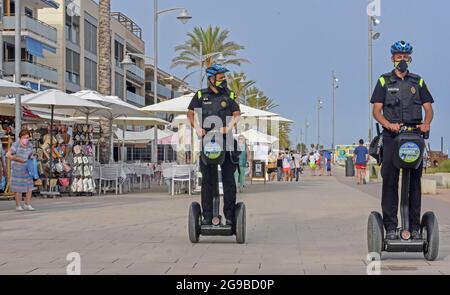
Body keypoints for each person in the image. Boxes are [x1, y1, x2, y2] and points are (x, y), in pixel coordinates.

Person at [371, 41, 434, 240]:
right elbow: (376, 111)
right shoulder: (384, 81)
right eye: (399, 56)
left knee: (415, 183)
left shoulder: (418, 82)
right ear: (392, 58)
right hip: (392, 137)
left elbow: (429, 108)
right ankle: (390, 227)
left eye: (405, 57)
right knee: (390, 180)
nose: (402, 60)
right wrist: (388, 124)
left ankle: (415, 228)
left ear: (410, 59)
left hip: (414, 137)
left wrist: (426, 123)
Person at [187, 64, 241, 226]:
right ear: (211, 78)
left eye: (223, 77)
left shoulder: (229, 95)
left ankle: (230, 216)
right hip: (207, 143)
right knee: (207, 182)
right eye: (220, 77)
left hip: (227, 143)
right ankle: (208, 216)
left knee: (229, 181)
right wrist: (197, 128)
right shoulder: (200, 95)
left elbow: (237, 115)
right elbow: (190, 113)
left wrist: (228, 127)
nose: (223, 80)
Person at [6, 130, 35, 211]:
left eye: (27, 137)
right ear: (20, 138)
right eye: (24, 137)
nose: (26, 139)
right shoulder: (16, 145)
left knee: (29, 187)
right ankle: (18, 205)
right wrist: (18, 159)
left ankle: (27, 204)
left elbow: (30, 156)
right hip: (17, 169)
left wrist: (32, 160)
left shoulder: (30, 145)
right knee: (17, 188)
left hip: (27, 169)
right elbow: (8, 155)